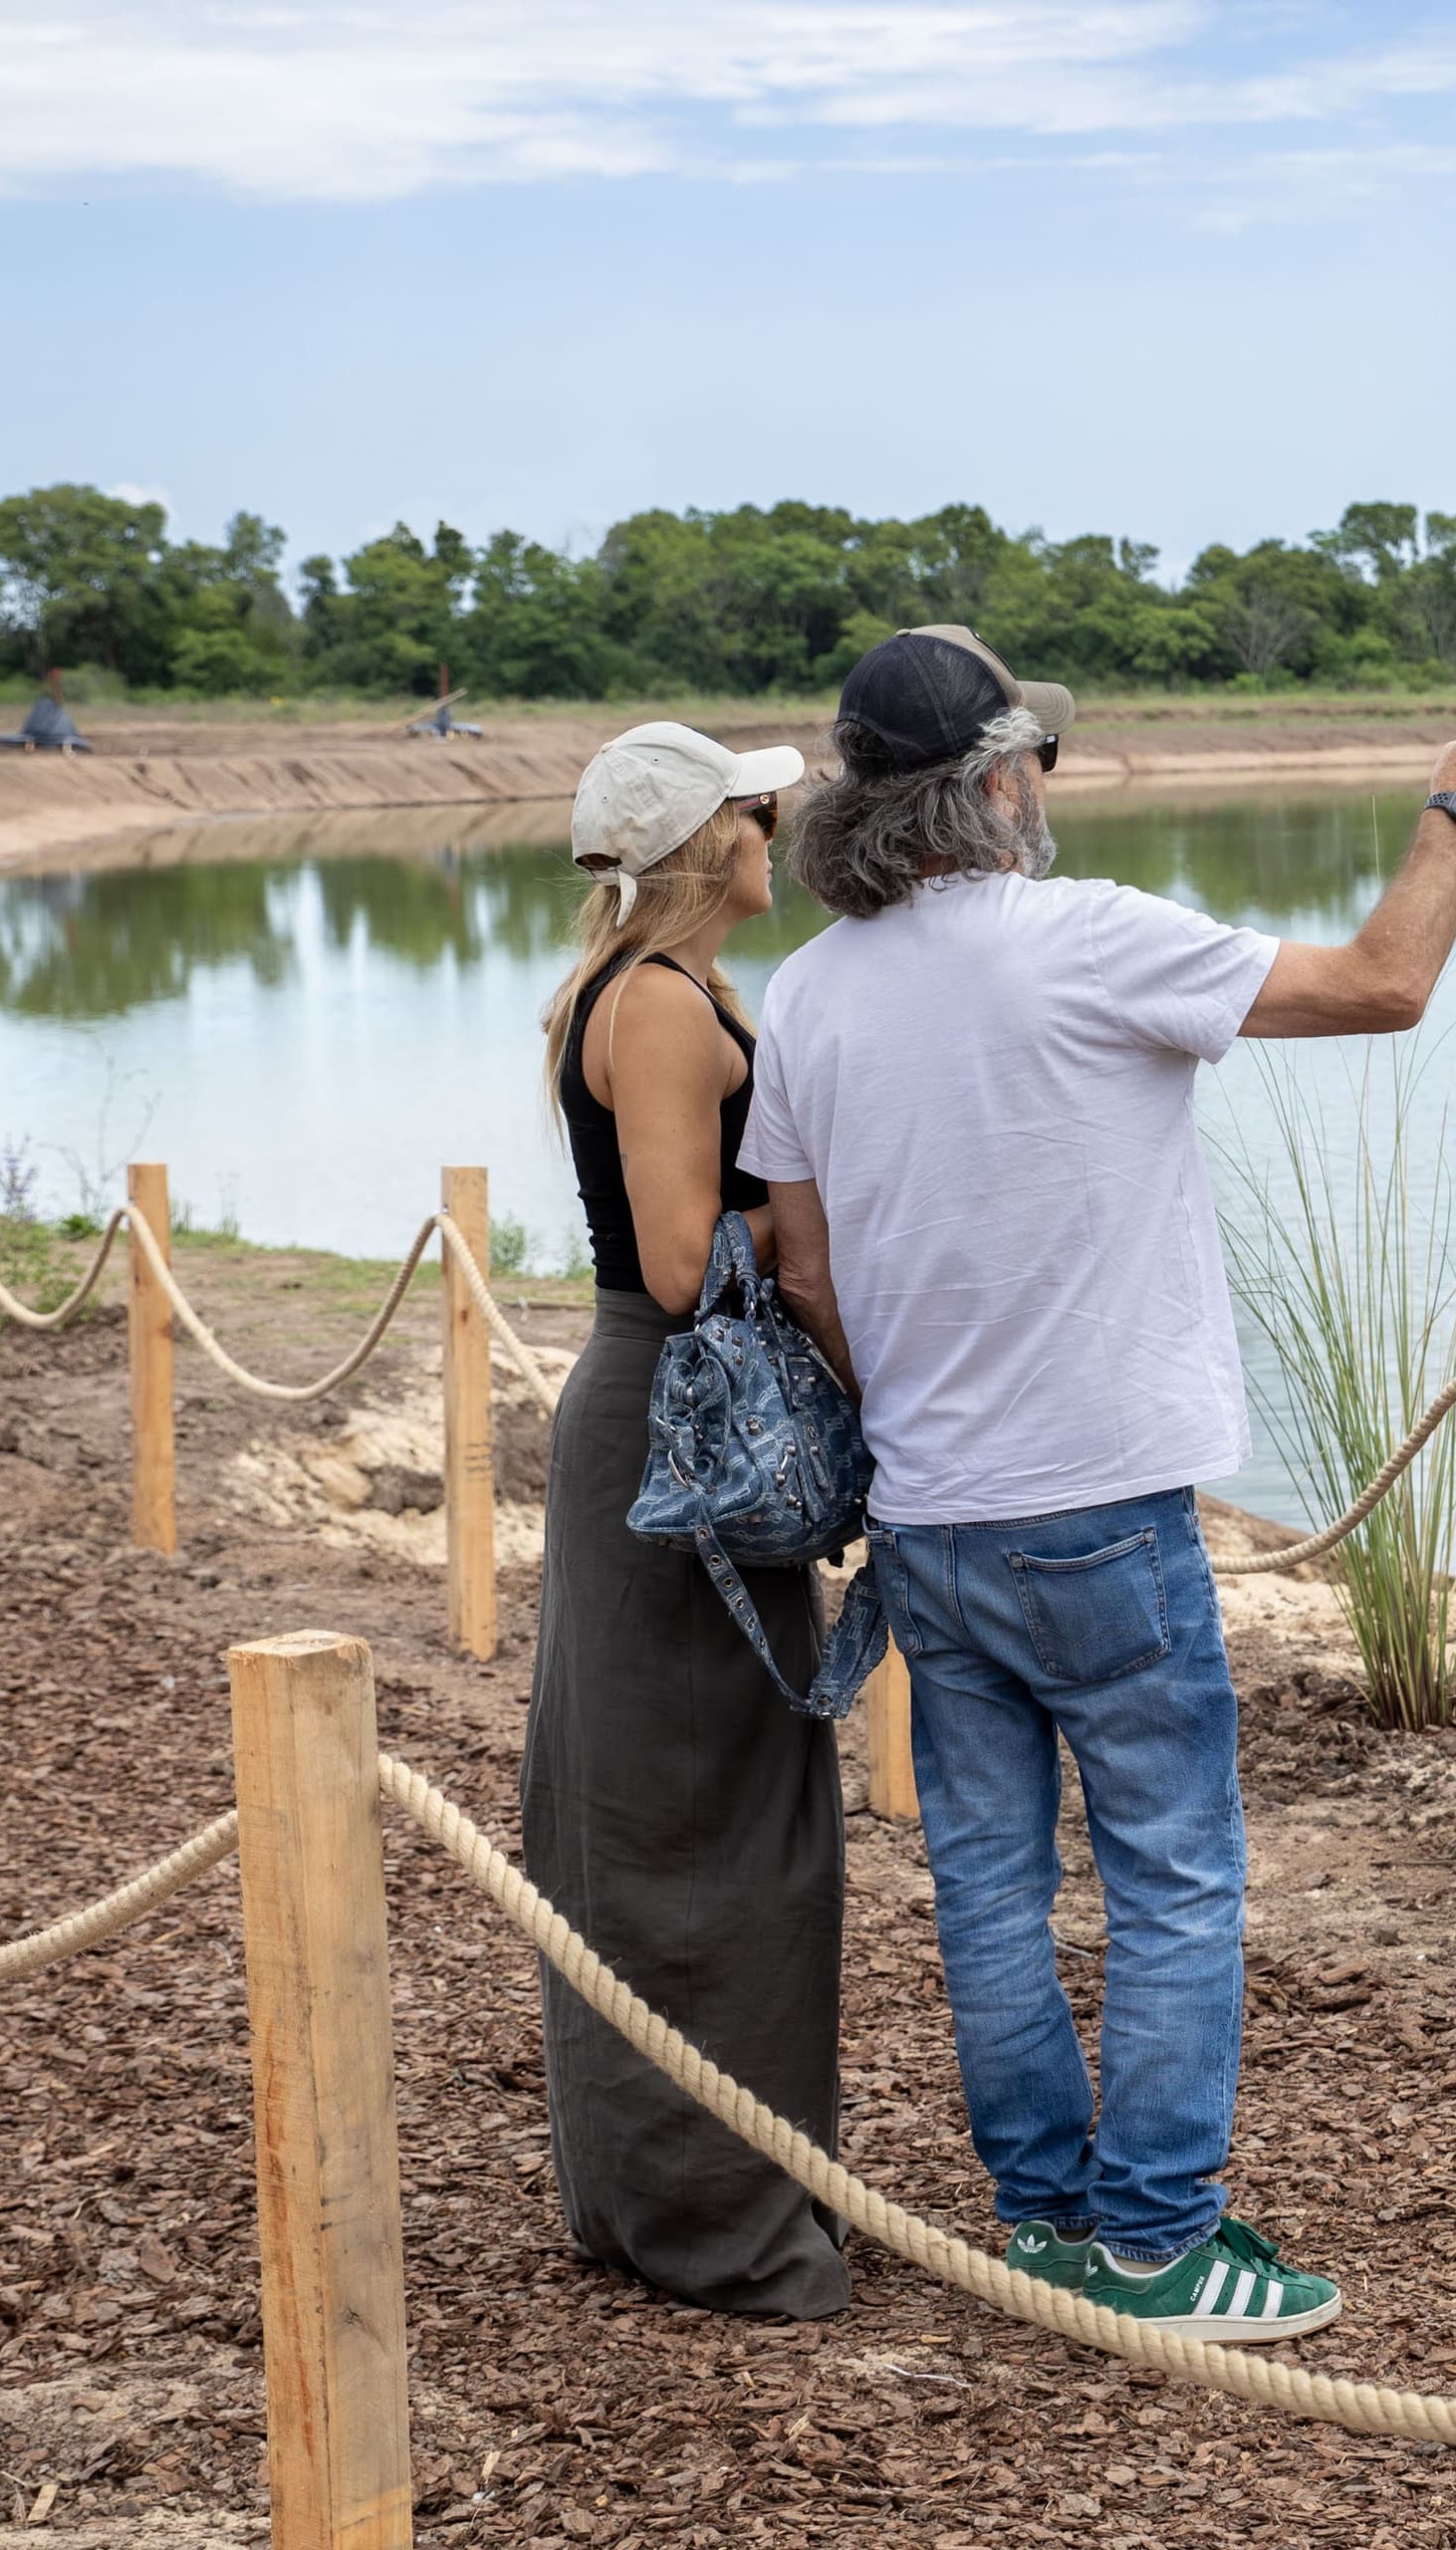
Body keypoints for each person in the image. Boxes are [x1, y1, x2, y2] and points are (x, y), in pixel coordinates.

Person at [742, 627, 1456, 2341]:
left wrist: (925, 1418)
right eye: (1042, 760)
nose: (1051, 788)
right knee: (1173, 1871)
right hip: (1101, 1510)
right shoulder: (1090, 939)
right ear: (996, 783)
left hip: (931, 1518)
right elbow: (1389, 982)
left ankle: (1042, 2222)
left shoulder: (804, 993)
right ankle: (1164, 2246)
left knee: (989, 1880)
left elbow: (803, 1272)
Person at [522, 718, 852, 2319]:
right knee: (685, 1821)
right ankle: (711, 2223)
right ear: (698, 846)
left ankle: (689, 2192)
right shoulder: (654, 1007)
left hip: (659, 1417)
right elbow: (675, 1265)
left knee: (688, 1803)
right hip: (678, 1421)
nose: (775, 829)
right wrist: (813, 1227)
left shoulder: (665, 990)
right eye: (755, 810)